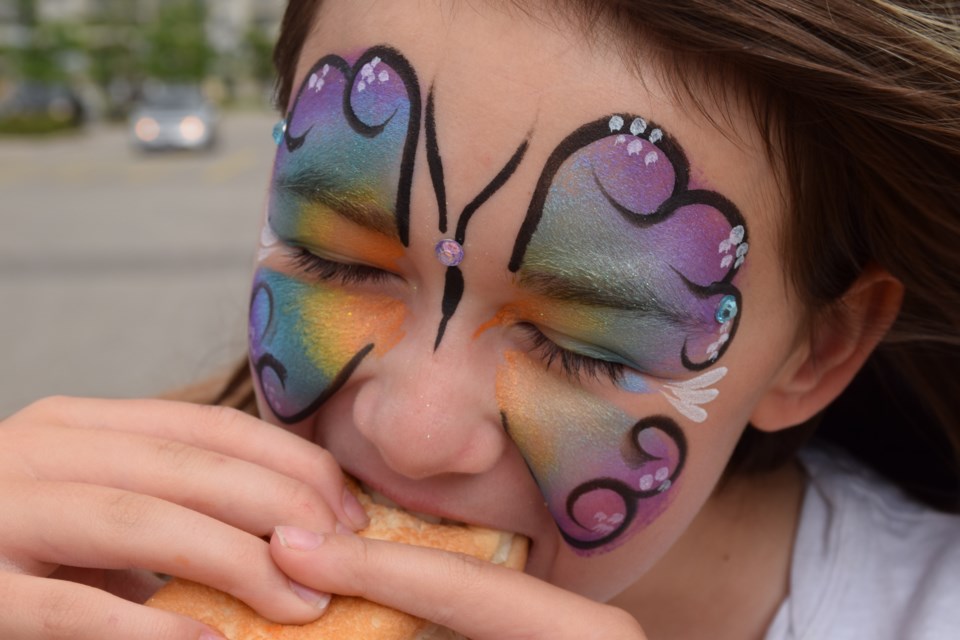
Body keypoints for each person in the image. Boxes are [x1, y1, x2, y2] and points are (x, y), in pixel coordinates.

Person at [2, 1, 958, 638]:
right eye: (338, 257)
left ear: (817, 350)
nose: (410, 435)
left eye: (578, 342)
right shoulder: (93, 572)